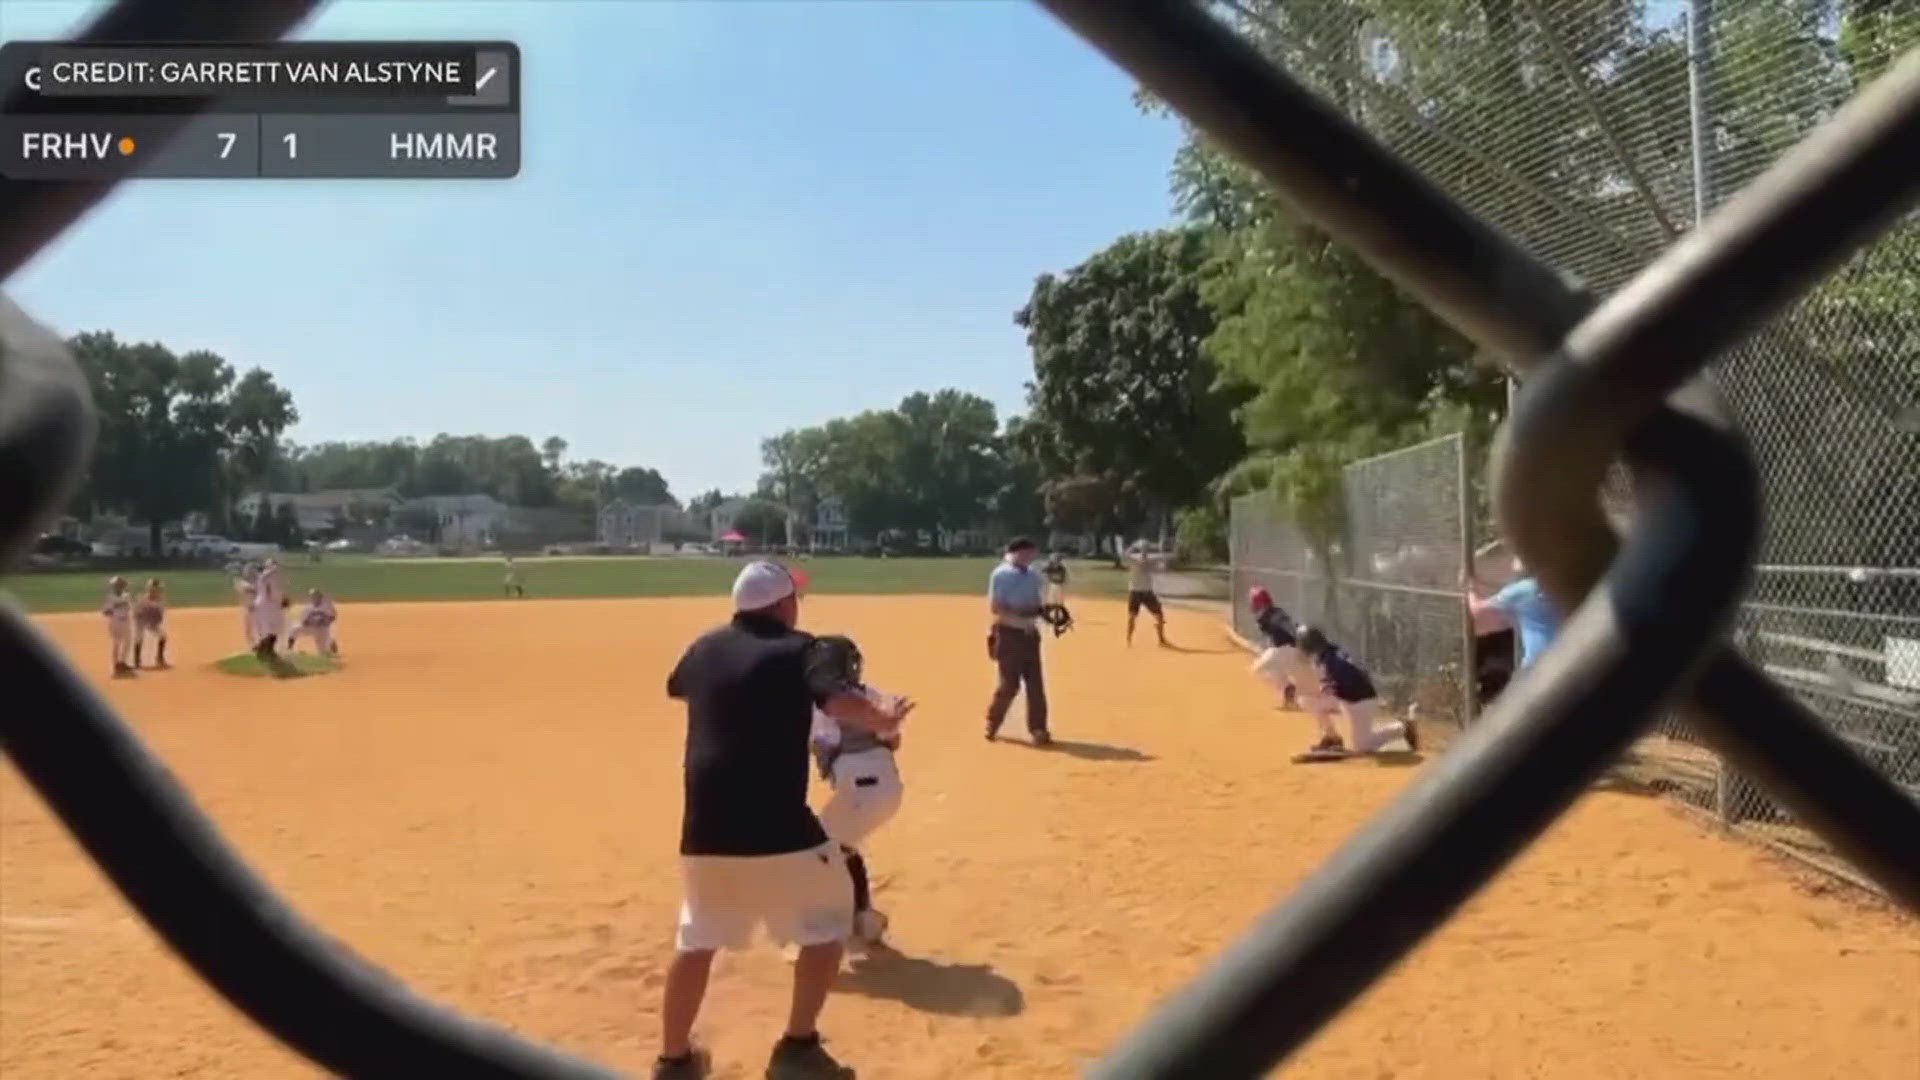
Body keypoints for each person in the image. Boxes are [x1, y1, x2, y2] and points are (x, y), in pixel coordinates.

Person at [656, 559, 910, 1080]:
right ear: (782, 605)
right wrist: (883, 719)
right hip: (777, 824)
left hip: (703, 826)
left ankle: (673, 1061)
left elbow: (676, 685)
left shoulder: (705, 648)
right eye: (794, 597)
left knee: (697, 939)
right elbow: (838, 698)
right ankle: (798, 1050)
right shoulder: (803, 649)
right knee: (827, 925)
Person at [807, 635, 907, 955]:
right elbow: (892, 741)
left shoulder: (819, 704)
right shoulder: (871, 695)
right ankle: (863, 918)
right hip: (887, 789)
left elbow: (817, 738)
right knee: (842, 847)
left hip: (861, 790)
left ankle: (827, 931)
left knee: (815, 853)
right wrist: (888, 721)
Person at [1293, 626, 1419, 760]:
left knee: (1361, 746)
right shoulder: (1329, 653)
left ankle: (1402, 728)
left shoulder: (1331, 661)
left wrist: (1324, 692)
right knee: (1307, 700)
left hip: (1361, 702)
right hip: (1349, 698)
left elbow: (1335, 687)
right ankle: (1332, 738)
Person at [1247, 587, 1347, 750]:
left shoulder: (1275, 616)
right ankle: (1331, 735)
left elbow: (1290, 626)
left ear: (1259, 604)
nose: (1252, 607)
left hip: (1293, 653)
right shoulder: (1266, 617)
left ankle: (1338, 710)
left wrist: (1302, 640)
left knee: (1263, 667)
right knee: (1308, 699)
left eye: (1254, 604)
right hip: (1289, 656)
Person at [985, 536, 1050, 746]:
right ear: (1018, 552)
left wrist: (1043, 611)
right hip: (1009, 633)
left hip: (1030, 634)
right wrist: (1021, 613)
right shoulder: (1001, 575)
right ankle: (992, 722)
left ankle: (1038, 728)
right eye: (1029, 553)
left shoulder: (1032, 575)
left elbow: (1038, 602)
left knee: (1035, 685)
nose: (1032, 557)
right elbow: (996, 607)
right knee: (1009, 684)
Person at [1465, 557, 1563, 672]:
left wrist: (1470, 588)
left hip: (1539, 669)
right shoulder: (1561, 585)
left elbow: (1478, 615)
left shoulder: (1526, 589)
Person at [1122, 540, 1170, 647]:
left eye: (1146, 550)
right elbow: (1125, 556)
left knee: (1159, 615)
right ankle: (1128, 640)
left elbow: (1163, 563)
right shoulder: (1134, 560)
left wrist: (1160, 549)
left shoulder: (1151, 562)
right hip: (1135, 592)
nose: (1144, 552)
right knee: (1132, 616)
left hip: (1147, 592)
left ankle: (1161, 640)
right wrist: (1133, 545)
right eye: (1142, 550)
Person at [250, 558, 286, 661]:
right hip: (267, 605)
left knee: (273, 629)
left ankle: (268, 650)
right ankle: (262, 651)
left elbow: (276, 593)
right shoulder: (268, 576)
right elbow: (271, 591)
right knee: (269, 630)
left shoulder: (270, 578)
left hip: (270, 605)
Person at [288, 588, 339, 657]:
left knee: (322, 652)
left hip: (322, 630)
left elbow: (333, 617)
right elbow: (303, 621)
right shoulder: (307, 607)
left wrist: (324, 620)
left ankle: (331, 644)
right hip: (311, 628)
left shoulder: (328, 606)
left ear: (320, 596)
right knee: (294, 629)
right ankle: (289, 649)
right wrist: (311, 622)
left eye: (316, 596)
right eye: (312, 596)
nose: (314, 597)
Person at [102, 576, 135, 678]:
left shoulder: (127, 596)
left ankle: (122, 662)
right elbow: (105, 611)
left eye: (120, 585)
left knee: (128, 642)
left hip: (126, 622)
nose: (118, 587)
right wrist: (112, 613)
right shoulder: (110, 597)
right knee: (117, 643)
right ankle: (116, 665)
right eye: (116, 585)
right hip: (115, 623)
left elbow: (130, 607)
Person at [132, 578, 169, 669]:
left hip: (152, 622)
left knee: (163, 636)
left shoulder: (159, 600)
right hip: (140, 621)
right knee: (139, 638)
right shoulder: (142, 599)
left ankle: (159, 659)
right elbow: (136, 613)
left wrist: (155, 622)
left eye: (158, 589)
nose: (158, 591)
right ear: (150, 589)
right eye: (156, 589)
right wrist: (140, 621)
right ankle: (137, 662)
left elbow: (160, 614)